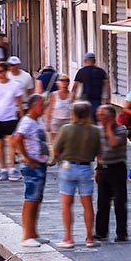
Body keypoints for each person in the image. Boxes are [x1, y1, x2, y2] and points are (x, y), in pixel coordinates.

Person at [53, 100, 100, 249]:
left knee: (67, 204)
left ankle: (68, 238)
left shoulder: (66, 129)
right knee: (87, 205)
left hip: (68, 166)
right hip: (86, 168)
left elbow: (56, 149)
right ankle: (90, 238)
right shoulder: (95, 130)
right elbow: (99, 152)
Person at [14, 93, 52, 247]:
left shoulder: (36, 121)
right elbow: (17, 138)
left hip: (40, 164)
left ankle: (33, 232)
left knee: (37, 199)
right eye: (41, 105)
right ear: (33, 106)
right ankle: (27, 235)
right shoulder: (27, 122)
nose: (44, 107)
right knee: (31, 199)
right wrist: (27, 157)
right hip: (32, 166)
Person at [93, 104, 130, 242]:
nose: (100, 119)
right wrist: (97, 168)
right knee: (102, 202)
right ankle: (101, 231)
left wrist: (108, 128)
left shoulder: (121, 129)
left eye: (102, 116)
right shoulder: (98, 131)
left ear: (110, 117)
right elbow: (98, 151)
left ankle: (121, 232)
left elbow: (114, 143)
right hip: (103, 168)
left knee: (120, 201)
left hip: (117, 168)